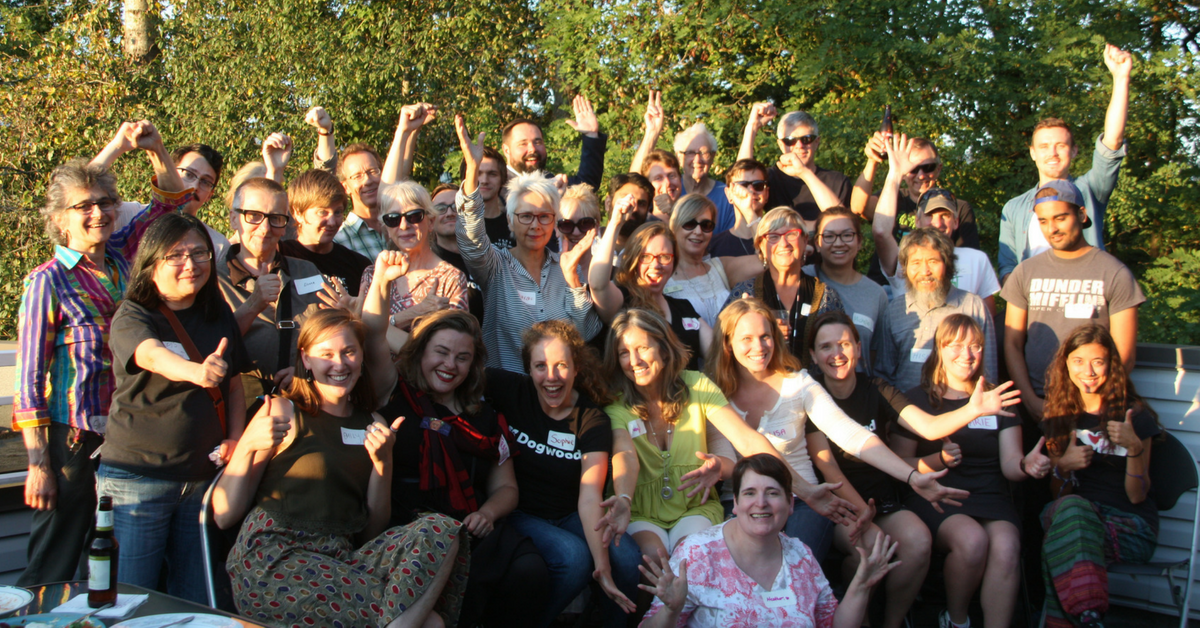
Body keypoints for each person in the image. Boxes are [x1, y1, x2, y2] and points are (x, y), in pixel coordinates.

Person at [213, 308, 469, 628]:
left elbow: (371, 531)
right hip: (276, 558)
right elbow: (223, 515)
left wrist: (383, 462)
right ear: (306, 359)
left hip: (341, 558)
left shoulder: (373, 423)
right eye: (326, 354)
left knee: (444, 529)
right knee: (430, 624)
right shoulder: (282, 411)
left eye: (349, 352)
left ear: (361, 357)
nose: (339, 363)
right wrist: (249, 447)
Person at [15, 121, 188, 586]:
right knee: (55, 558)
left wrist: (154, 149)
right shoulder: (47, 281)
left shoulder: (126, 260)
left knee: (107, 562)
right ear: (60, 219)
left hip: (126, 438)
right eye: (83, 206)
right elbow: (29, 380)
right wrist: (38, 464)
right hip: (73, 442)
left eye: (106, 203)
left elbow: (174, 205)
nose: (98, 213)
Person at [707, 299, 971, 562]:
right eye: (747, 339)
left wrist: (911, 477)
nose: (759, 346)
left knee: (797, 564)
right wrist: (714, 465)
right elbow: (728, 460)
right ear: (728, 343)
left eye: (765, 336)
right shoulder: (714, 393)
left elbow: (852, 434)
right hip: (741, 502)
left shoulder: (798, 384)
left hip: (803, 501)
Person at [805, 311, 1022, 628]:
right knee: (869, 545)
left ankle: (894, 621)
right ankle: (861, 621)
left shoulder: (878, 389)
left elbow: (930, 428)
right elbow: (831, 471)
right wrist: (862, 515)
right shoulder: (809, 398)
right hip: (840, 504)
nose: (836, 354)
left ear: (858, 348)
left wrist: (973, 409)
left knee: (919, 540)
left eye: (844, 344)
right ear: (813, 354)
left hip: (883, 501)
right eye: (826, 347)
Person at [597, 309, 837, 567]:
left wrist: (804, 490)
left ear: (664, 349)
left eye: (642, 348)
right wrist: (623, 498)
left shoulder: (698, 385)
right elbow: (625, 454)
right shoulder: (616, 403)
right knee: (653, 558)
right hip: (639, 508)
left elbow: (747, 440)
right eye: (624, 352)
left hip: (694, 505)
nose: (634, 360)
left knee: (690, 556)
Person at [369, 298, 548, 628]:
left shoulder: (486, 418)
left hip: (472, 528)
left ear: (473, 365)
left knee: (530, 569)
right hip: (408, 529)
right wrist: (381, 279)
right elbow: (372, 331)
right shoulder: (395, 394)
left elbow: (506, 488)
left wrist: (487, 513)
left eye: (462, 357)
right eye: (441, 352)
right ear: (420, 351)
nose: (450, 364)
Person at [100, 212, 250, 602]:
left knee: (193, 596)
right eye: (176, 255)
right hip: (138, 478)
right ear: (151, 264)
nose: (191, 264)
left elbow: (234, 387)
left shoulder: (216, 316)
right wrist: (196, 372)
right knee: (131, 595)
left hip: (200, 479)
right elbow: (149, 355)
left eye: (199, 253)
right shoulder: (133, 314)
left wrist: (235, 438)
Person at [889, 314, 1052, 628]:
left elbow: (1010, 465)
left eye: (975, 346)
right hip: (938, 496)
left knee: (1007, 546)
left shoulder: (996, 399)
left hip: (991, 495)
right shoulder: (917, 400)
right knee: (972, 540)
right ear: (940, 348)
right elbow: (899, 465)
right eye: (957, 345)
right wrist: (938, 459)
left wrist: (1027, 466)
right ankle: (957, 619)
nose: (967, 354)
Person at [489, 321, 642, 628]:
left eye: (561, 366)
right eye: (540, 366)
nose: (551, 377)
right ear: (528, 370)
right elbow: (451, 364)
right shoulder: (510, 390)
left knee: (626, 559)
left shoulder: (591, 418)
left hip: (570, 513)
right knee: (573, 559)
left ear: (576, 369)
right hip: (520, 511)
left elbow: (589, 497)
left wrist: (604, 570)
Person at [637, 454, 899, 628]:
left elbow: (832, 624)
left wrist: (861, 585)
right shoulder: (697, 553)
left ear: (790, 504)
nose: (760, 503)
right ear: (736, 504)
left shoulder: (801, 557)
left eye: (772, 493)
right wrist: (671, 611)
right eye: (750, 493)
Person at [454, 114, 602, 371]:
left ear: (555, 221)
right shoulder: (496, 266)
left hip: (561, 393)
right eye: (525, 216)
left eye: (544, 216)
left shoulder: (567, 267)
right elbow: (471, 239)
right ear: (509, 222)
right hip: (510, 396)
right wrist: (472, 171)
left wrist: (573, 281)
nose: (535, 225)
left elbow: (586, 334)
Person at [1039, 325, 1161, 628]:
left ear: (1111, 365)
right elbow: (1058, 494)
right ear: (1066, 365)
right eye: (1078, 361)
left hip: (1129, 526)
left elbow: (1137, 495)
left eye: (1098, 361)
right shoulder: (1059, 415)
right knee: (1070, 513)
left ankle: (1081, 617)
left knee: (1062, 539)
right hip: (1075, 515)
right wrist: (1063, 465)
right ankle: (1089, 616)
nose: (1088, 371)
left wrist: (1133, 447)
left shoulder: (1134, 416)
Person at [1001, 180, 1144, 420]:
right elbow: (1012, 343)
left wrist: (1092, 406)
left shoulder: (1114, 273)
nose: (1052, 229)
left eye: (1060, 218)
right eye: (1043, 221)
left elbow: (1124, 355)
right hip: (1038, 404)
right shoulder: (1025, 272)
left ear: (1081, 214)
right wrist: (1029, 400)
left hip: (1094, 406)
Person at [998, 44, 1132, 282]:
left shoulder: (1090, 191)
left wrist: (1121, 78)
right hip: (1036, 311)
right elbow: (1008, 267)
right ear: (1032, 153)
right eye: (1044, 146)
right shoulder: (1014, 208)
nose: (1053, 153)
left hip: (1085, 304)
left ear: (1074, 151)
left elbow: (1112, 142)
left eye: (1061, 145)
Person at [217, 177, 329, 403]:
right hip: (242, 405)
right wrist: (252, 306)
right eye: (254, 216)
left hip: (308, 399)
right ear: (233, 219)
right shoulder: (212, 279)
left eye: (275, 219)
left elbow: (331, 335)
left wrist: (305, 372)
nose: (265, 228)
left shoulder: (306, 271)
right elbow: (208, 346)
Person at [872, 136, 1000, 312]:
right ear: (917, 221)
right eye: (930, 215)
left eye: (945, 215)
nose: (937, 223)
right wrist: (895, 173)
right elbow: (880, 231)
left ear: (956, 221)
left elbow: (987, 318)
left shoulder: (976, 259)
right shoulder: (905, 259)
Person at [874, 227, 997, 393]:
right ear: (905, 268)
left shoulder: (973, 306)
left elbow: (988, 373)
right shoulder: (895, 310)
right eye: (916, 263)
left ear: (947, 264)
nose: (925, 272)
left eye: (933, 261)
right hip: (907, 414)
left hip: (962, 412)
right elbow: (884, 374)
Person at [851, 133, 982, 287]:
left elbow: (969, 263)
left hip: (934, 285)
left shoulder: (956, 207)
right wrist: (873, 161)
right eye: (913, 169)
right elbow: (858, 208)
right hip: (886, 284)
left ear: (938, 168)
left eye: (928, 168)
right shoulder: (891, 198)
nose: (920, 176)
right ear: (904, 172)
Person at [589, 210, 713, 371]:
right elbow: (597, 284)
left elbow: (717, 353)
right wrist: (615, 224)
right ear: (633, 259)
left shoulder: (683, 308)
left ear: (674, 262)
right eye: (645, 257)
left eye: (664, 257)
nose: (656, 265)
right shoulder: (623, 301)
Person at [723, 207, 845, 366]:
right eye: (773, 236)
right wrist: (759, 328)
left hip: (814, 388)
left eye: (791, 234)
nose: (783, 243)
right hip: (759, 387)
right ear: (760, 245)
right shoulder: (743, 293)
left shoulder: (826, 296)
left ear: (805, 240)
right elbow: (721, 345)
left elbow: (841, 346)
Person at [361, 181, 468, 352]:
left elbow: (453, 349)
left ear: (431, 222)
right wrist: (412, 314)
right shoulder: (373, 274)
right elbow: (361, 336)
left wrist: (381, 326)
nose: (404, 226)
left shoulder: (450, 278)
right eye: (393, 219)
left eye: (414, 216)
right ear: (387, 228)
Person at [93, 128, 232, 260]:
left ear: (210, 195)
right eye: (189, 174)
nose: (195, 186)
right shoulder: (129, 216)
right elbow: (81, 194)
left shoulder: (217, 245)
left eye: (205, 182)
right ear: (171, 173)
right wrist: (117, 146)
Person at [629, 91, 737, 233]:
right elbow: (632, 185)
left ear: (713, 156)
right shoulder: (666, 189)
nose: (697, 160)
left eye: (703, 153)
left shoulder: (726, 195)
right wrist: (652, 133)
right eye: (690, 153)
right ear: (679, 156)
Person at [736, 102, 850, 231]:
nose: (799, 145)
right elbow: (740, 180)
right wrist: (752, 127)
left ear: (816, 142)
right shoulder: (769, 179)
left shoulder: (837, 181)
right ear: (780, 144)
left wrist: (804, 173)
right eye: (790, 140)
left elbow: (841, 223)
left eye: (806, 139)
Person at [807, 206, 888, 374]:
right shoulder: (802, 280)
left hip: (856, 393)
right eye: (829, 236)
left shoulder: (876, 294)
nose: (838, 242)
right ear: (817, 243)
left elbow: (877, 356)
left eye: (847, 235)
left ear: (859, 242)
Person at [664, 194, 762, 327]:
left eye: (706, 225)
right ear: (674, 226)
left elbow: (768, 259)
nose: (698, 231)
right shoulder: (661, 273)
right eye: (690, 224)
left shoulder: (720, 268)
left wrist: (748, 212)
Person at [278, 168, 373, 298]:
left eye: (338, 212)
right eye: (322, 212)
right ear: (298, 213)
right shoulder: (281, 257)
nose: (332, 222)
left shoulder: (359, 265)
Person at [502, 94, 607, 190]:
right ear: (506, 150)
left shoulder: (551, 182)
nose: (532, 149)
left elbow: (586, 186)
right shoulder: (495, 185)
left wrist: (591, 135)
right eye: (523, 144)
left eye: (537, 142)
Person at [427, 182, 485, 323]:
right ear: (430, 219)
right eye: (440, 208)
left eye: (456, 206)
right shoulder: (427, 265)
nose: (449, 213)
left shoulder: (486, 257)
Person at [333, 143, 388, 260]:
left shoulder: (402, 226)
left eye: (372, 171)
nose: (368, 181)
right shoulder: (340, 241)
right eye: (357, 176)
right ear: (346, 187)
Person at [706, 159, 771, 258]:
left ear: (767, 193)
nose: (751, 191)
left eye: (758, 185)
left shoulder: (779, 238)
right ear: (729, 194)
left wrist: (748, 211)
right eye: (742, 186)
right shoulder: (712, 247)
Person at [557, 183, 602, 285]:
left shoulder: (608, 271)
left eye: (585, 224)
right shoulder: (543, 272)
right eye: (566, 224)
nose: (576, 232)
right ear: (556, 228)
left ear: (597, 226)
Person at [640, 150, 684, 223]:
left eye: (672, 176)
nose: (668, 182)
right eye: (658, 178)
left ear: (680, 179)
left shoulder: (695, 221)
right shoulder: (641, 226)